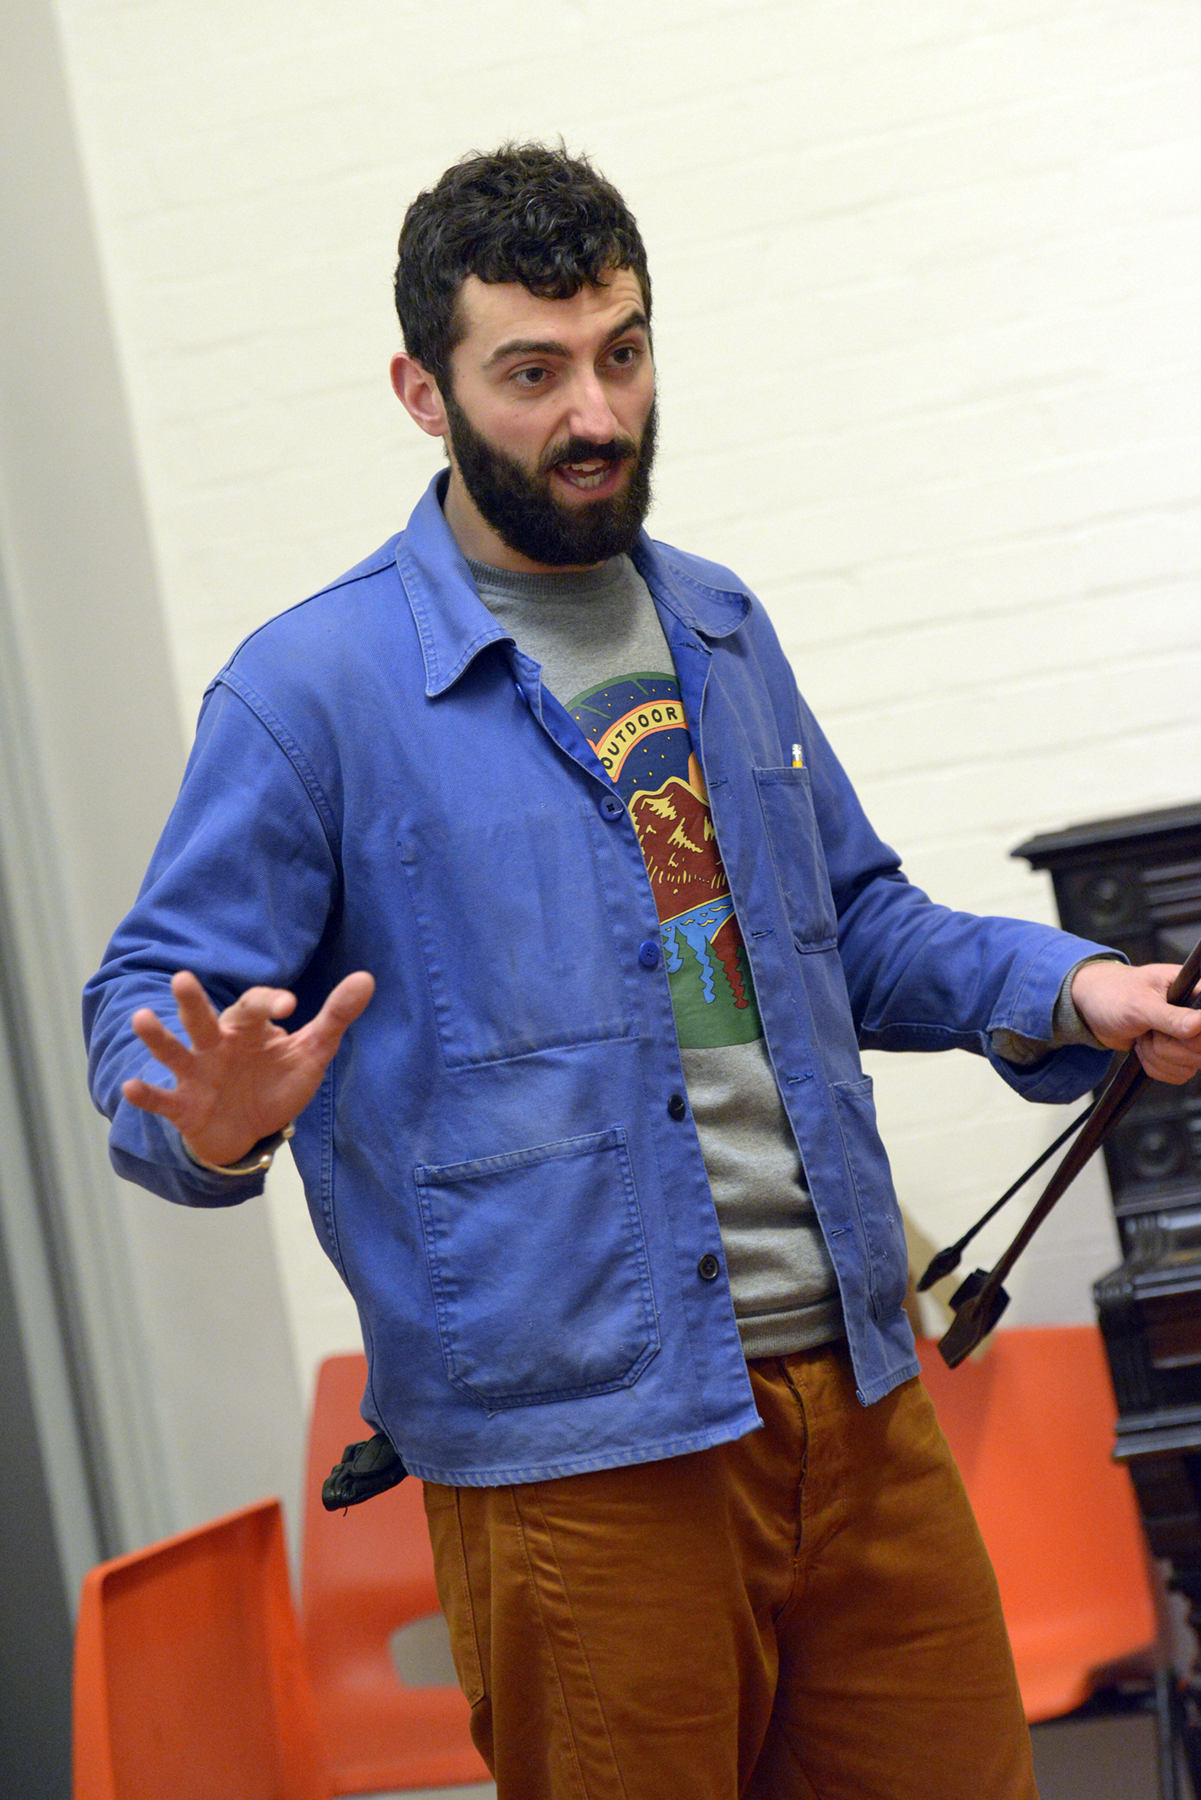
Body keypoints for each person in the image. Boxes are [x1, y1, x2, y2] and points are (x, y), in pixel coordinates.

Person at [84, 144, 1201, 1799]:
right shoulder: (309, 691)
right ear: (424, 388)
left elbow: (851, 931)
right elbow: (145, 1030)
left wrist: (1070, 986)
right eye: (530, 373)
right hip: (576, 1467)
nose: (594, 414)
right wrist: (222, 1115)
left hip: (860, 1400)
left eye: (619, 352)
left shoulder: (722, 630)